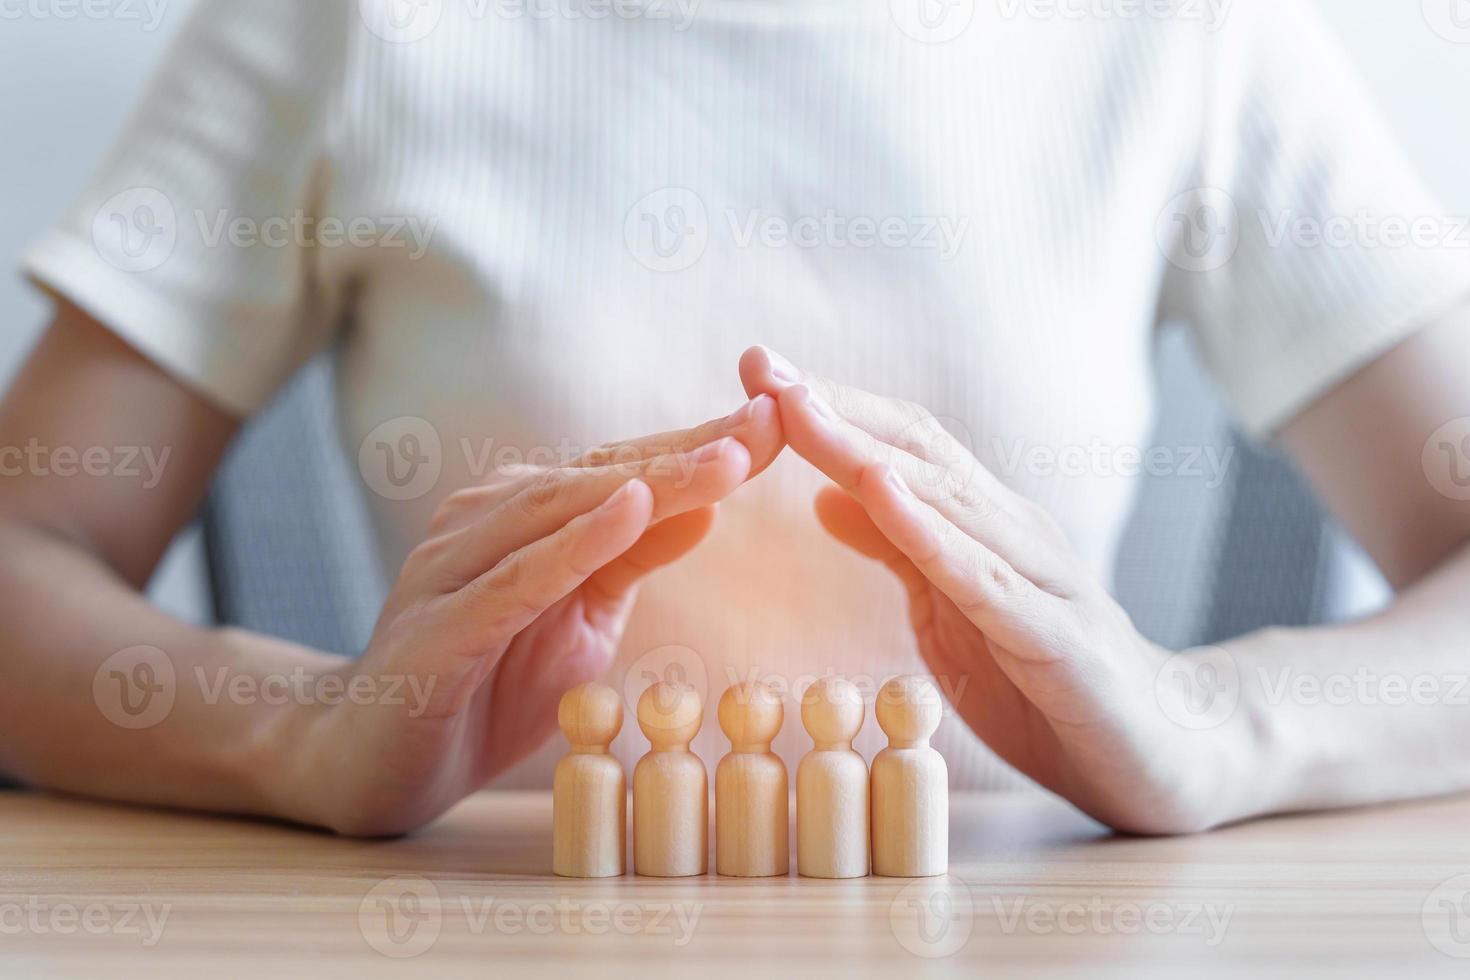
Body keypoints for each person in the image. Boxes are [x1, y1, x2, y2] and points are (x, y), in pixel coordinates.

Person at [2, 0, 1469, 837]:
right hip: (496, 928)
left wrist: (1217, 723)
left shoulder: (1185, 28)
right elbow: (25, 542)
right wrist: (301, 731)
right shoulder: (346, 22)